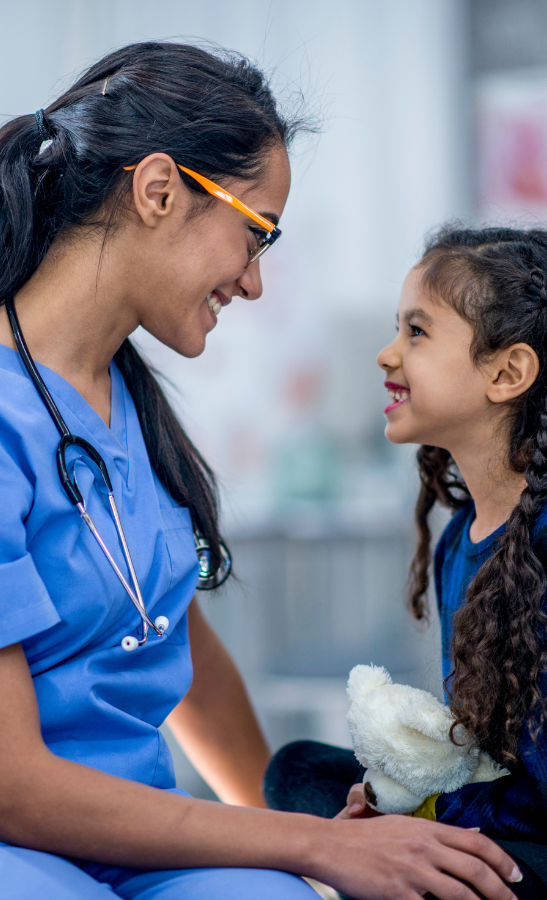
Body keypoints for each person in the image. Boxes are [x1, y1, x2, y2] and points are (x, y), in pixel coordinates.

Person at [0, 42, 519, 899]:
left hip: (139, 837)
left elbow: (168, 633)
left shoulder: (126, 398)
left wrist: (313, 846)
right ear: (158, 191)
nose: (256, 281)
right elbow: (4, 782)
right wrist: (306, 846)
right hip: (12, 840)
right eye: (253, 232)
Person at [265, 226, 547, 899]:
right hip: (501, 809)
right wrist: (391, 805)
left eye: (416, 333)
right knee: (296, 770)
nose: (386, 354)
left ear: (505, 372)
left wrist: (423, 821)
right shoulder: (460, 540)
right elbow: (479, 752)